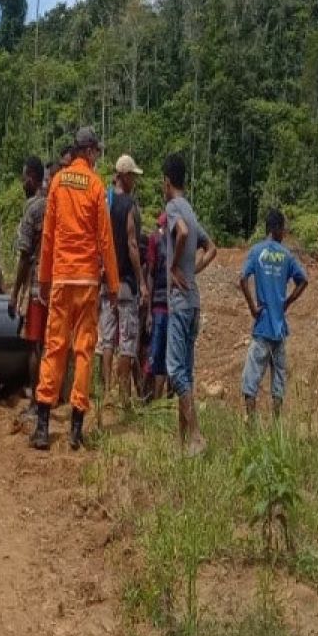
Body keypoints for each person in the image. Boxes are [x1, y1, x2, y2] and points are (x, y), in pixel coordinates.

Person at [30, 127, 120, 452]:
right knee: (84, 351)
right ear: (90, 151)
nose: (97, 157)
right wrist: (112, 284)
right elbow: (105, 240)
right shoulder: (96, 185)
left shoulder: (57, 182)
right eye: (97, 152)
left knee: (54, 347)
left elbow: (49, 235)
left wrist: (44, 278)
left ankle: (42, 426)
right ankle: (76, 430)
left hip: (62, 278)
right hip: (87, 282)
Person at [163, 153, 218, 457]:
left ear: (167, 181)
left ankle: (195, 436)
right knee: (185, 372)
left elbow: (181, 233)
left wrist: (174, 268)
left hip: (180, 303)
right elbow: (212, 248)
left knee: (174, 370)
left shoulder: (173, 208)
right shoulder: (192, 211)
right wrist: (192, 270)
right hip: (194, 301)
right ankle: (182, 444)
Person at [239, 208, 309, 420]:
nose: (284, 234)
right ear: (275, 229)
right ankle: (276, 430)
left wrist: (252, 306)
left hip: (262, 328)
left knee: (250, 384)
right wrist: (287, 302)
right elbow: (303, 281)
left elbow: (242, 279)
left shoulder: (256, 251)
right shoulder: (286, 255)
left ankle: (251, 430)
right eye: (283, 229)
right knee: (278, 385)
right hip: (279, 331)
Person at [96, 154, 148, 407]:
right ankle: (124, 397)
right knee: (127, 340)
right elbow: (131, 244)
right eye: (133, 177)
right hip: (126, 281)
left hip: (106, 280)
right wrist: (142, 280)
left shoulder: (104, 201)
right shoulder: (128, 205)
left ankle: (106, 391)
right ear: (124, 176)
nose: (135, 181)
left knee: (107, 338)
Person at [9, 156, 48, 415]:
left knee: (34, 343)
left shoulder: (33, 209)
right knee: (49, 344)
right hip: (55, 283)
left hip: (36, 284)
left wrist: (14, 294)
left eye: (24, 178)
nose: (23, 182)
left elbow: (24, 255)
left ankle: (36, 402)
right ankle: (49, 396)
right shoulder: (54, 203)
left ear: (31, 179)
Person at [145, 212, 171, 399]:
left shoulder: (162, 241)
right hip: (161, 306)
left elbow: (151, 274)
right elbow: (151, 274)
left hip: (167, 307)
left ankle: (160, 400)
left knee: (163, 355)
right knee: (157, 354)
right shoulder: (158, 240)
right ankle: (154, 399)